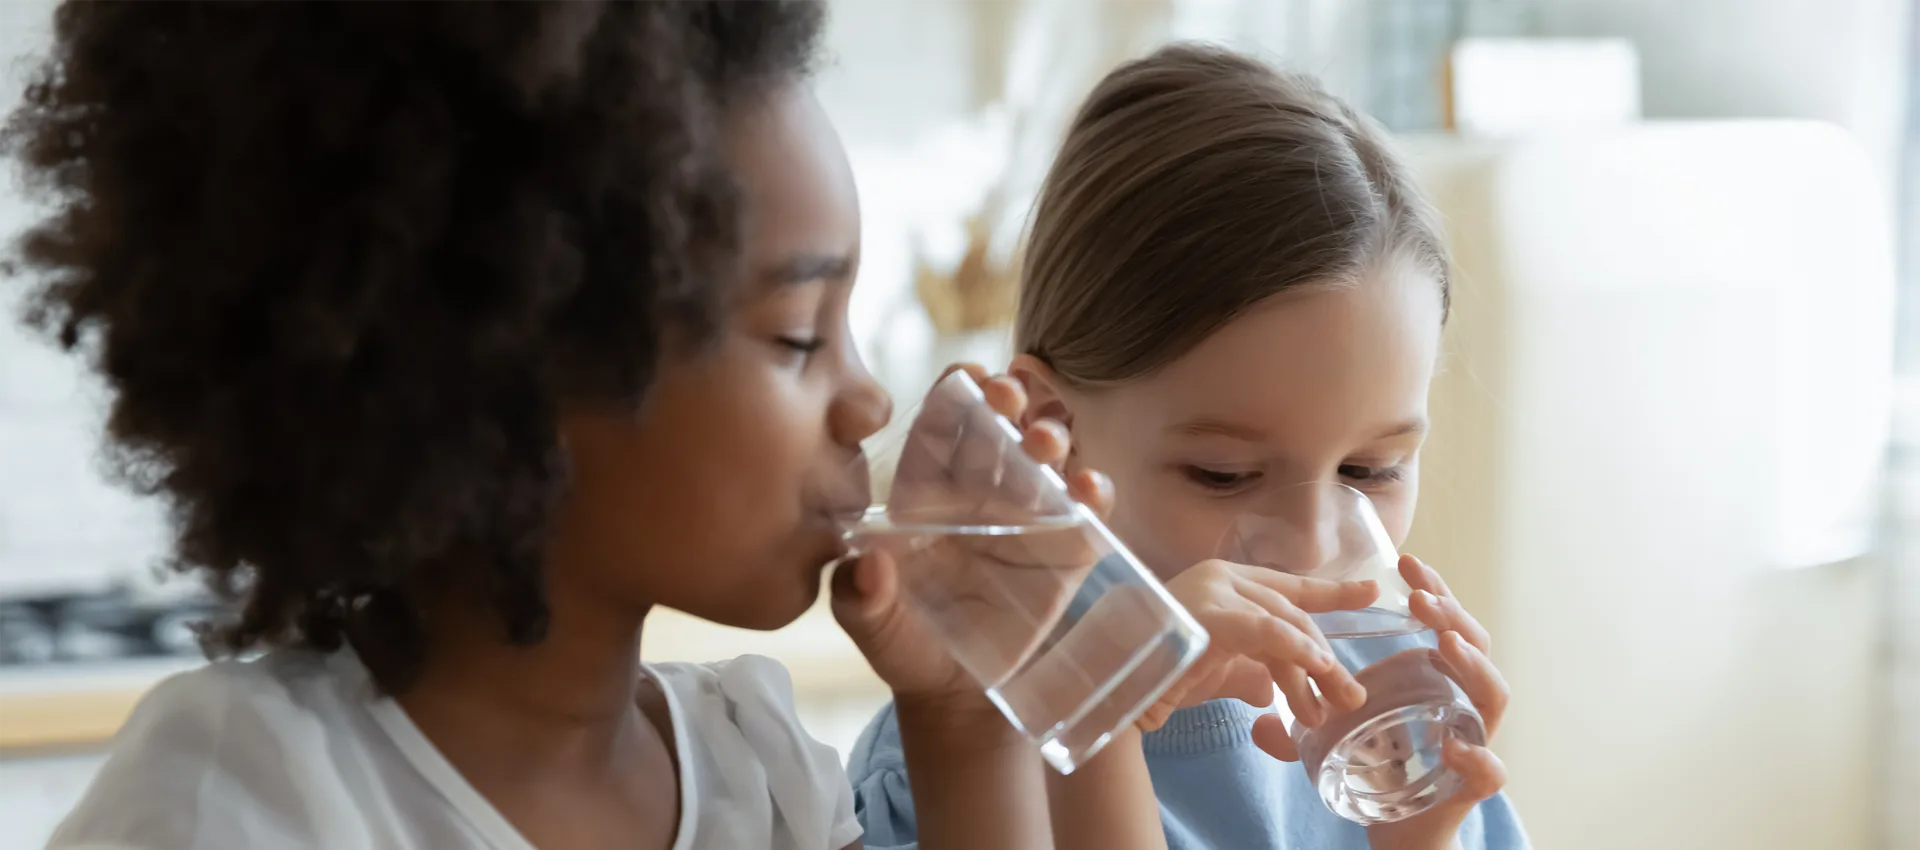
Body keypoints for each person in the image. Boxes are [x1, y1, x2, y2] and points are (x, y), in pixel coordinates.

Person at [5, 2, 1241, 848]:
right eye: (800, 335)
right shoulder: (247, 796)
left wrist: (965, 711)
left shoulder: (760, 773)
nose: (868, 399)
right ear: (511, 369)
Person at [848, 44, 1531, 850]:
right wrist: (1100, 713)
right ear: (1051, 438)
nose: (1313, 547)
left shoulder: (1399, 761)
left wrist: (1422, 837)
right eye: (1225, 474)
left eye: (1369, 470)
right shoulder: (962, 759)